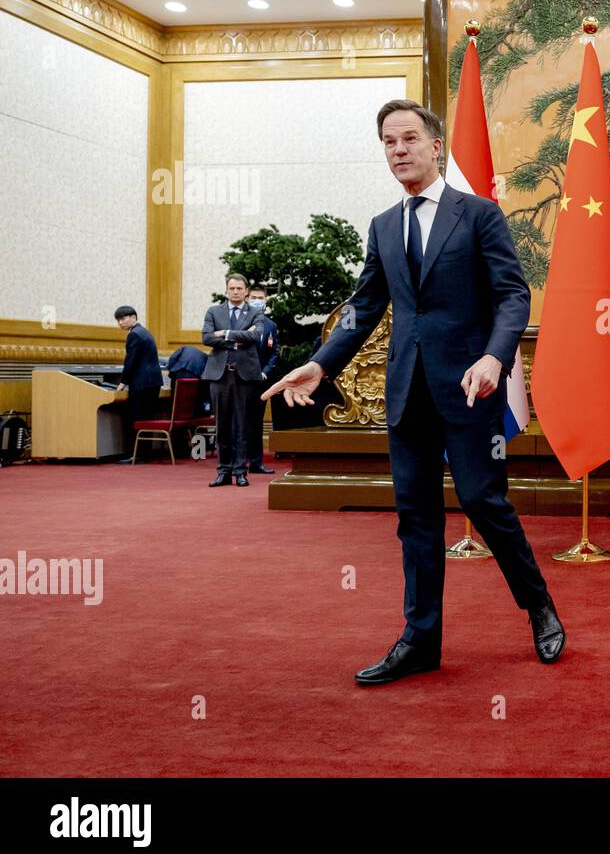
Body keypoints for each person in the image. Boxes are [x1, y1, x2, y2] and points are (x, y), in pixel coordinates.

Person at [264, 99, 563, 686]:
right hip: (407, 394)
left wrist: (494, 356)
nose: (398, 151)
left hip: (470, 389)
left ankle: (539, 607)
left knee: (484, 503)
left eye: (407, 139)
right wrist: (320, 366)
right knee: (416, 518)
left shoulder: (478, 215)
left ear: (434, 145)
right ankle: (420, 639)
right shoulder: (383, 225)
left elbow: (512, 296)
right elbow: (364, 308)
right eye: (387, 142)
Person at [201, 274, 265, 487]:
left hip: (245, 376)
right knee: (222, 424)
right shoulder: (213, 311)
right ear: (226, 290)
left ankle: (241, 471)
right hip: (219, 375)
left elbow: (255, 337)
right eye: (232, 288)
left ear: (246, 291)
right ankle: (223, 471)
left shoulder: (256, 312)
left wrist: (226, 334)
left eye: (239, 288)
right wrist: (237, 340)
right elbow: (207, 338)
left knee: (242, 425)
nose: (235, 291)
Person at [113, 306, 163, 464]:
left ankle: (135, 455)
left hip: (142, 383)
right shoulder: (144, 332)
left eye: (124, 318)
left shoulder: (134, 334)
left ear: (134, 317)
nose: (121, 322)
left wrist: (123, 382)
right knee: (146, 418)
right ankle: (144, 454)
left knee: (137, 419)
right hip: (152, 382)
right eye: (118, 320)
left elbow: (131, 361)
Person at [243, 286, 278, 475]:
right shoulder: (241, 322)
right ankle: (239, 462)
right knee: (241, 422)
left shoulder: (270, 325)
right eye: (254, 297)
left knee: (256, 423)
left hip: (260, 382)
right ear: (248, 299)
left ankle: (256, 463)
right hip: (241, 381)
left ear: (266, 300)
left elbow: (274, 353)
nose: (258, 300)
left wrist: (265, 372)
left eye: (261, 298)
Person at [166, 345, 211, 415]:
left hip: (179, 372)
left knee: (175, 396)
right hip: (196, 375)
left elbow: (173, 358)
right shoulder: (206, 357)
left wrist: (170, 369)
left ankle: (173, 415)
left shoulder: (185, 347)